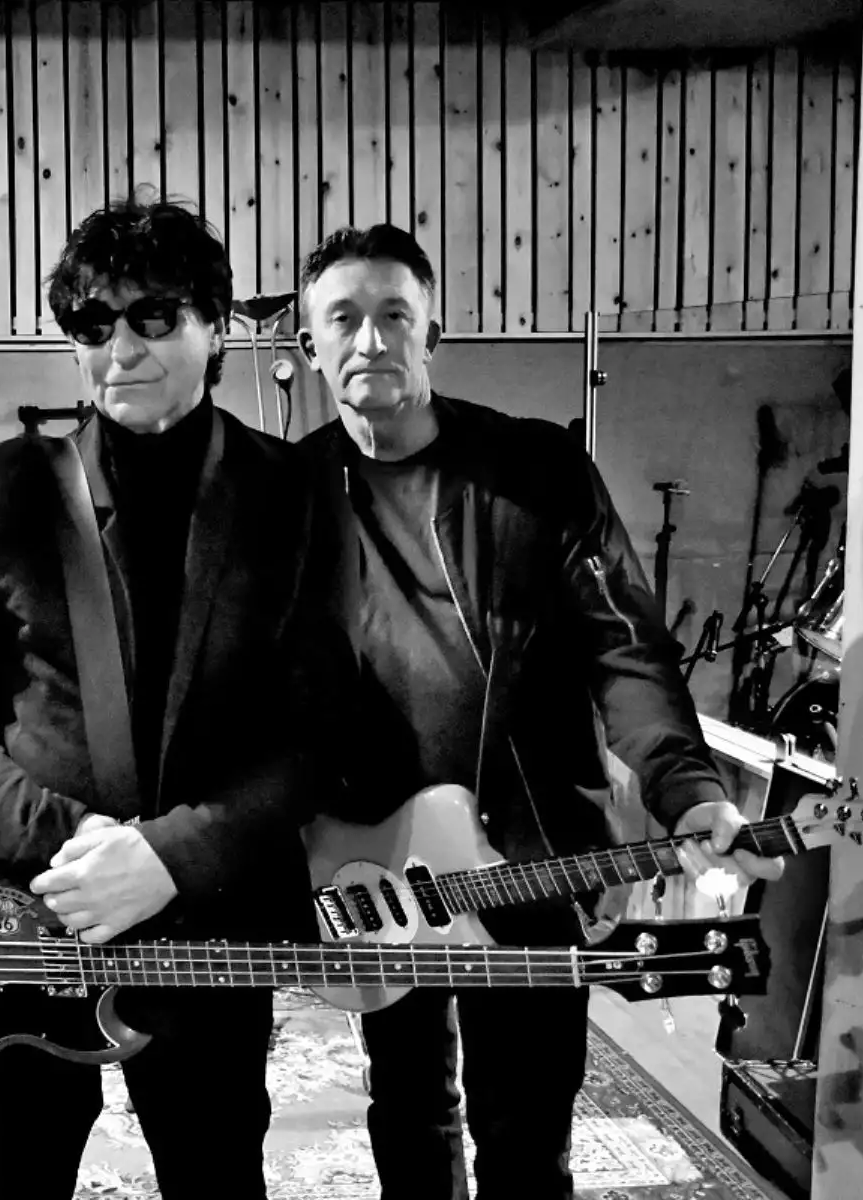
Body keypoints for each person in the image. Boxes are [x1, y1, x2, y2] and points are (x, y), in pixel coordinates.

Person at [290, 222, 787, 1199]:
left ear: (435, 333)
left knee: (526, 1132)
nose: (371, 340)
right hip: (373, 858)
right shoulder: (290, 492)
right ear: (309, 345)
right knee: (409, 1111)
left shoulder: (539, 470)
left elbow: (624, 644)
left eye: (395, 315)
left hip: (535, 858)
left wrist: (688, 788)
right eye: (343, 319)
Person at [0, 198, 331, 1199]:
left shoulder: (290, 492)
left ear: (214, 323)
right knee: (17, 1180)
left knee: (216, 1177)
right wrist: (75, 843)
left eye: (154, 316)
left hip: (210, 923)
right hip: (29, 917)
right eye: (94, 324)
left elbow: (318, 732)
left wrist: (170, 855)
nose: (121, 348)